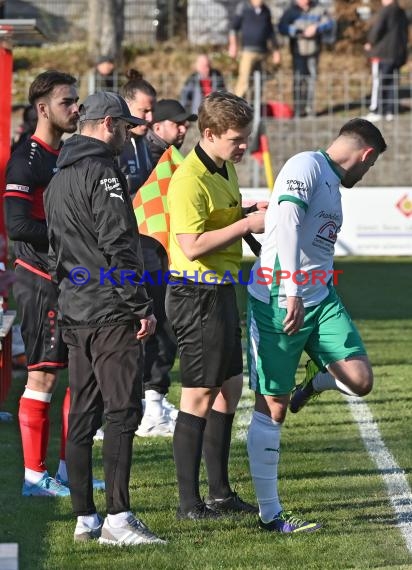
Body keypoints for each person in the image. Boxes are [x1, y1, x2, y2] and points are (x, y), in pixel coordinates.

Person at [246, 118, 387, 533]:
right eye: (372, 166)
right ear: (366, 155)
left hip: (320, 298)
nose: (367, 173)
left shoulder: (330, 182)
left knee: (360, 379)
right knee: (272, 407)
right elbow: (286, 222)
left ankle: (314, 382)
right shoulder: (305, 165)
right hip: (278, 298)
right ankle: (270, 514)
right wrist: (290, 288)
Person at [44, 91, 165, 545]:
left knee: (82, 416)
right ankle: (118, 518)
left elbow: (55, 252)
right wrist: (140, 306)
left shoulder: (58, 176)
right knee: (122, 412)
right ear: (109, 123)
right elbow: (118, 244)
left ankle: (84, 519)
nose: (128, 135)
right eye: (125, 126)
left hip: (76, 309)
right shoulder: (103, 172)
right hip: (111, 311)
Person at [166, 91, 266, 519]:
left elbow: (217, 217)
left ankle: (221, 494)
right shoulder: (189, 179)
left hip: (219, 290)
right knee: (199, 395)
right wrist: (246, 223)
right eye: (236, 140)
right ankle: (190, 504)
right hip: (196, 294)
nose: (243, 146)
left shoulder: (222, 165)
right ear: (208, 134)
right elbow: (191, 245)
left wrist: (244, 212)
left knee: (229, 390)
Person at [4, 70, 80, 497]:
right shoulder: (25, 159)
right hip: (38, 281)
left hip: (64, 277)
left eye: (75, 100)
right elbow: (16, 226)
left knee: (76, 375)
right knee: (43, 376)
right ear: (42, 108)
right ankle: (35, 477)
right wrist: (67, 234)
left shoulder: (64, 154)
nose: (75, 108)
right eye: (67, 101)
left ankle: (71, 472)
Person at [134, 98, 197, 438]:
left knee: (162, 326)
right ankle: (149, 407)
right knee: (157, 325)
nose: (184, 128)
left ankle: (151, 403)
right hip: (148, 256)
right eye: (178, 123)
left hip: (158, 254)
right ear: (158, 127)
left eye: (186, 123)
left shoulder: (168, 158)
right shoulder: (149, 158)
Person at [279, 0, 335, 117]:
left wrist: (317, 28)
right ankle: (298, 110)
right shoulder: (290, 11)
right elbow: (282, 27)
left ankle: (310, 109)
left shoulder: (318, 9)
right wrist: (297, 31)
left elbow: (330, 23)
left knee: (311, 80)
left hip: (313, 52)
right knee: (298, 80)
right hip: (297, 51)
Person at [364, 0, 409, 123]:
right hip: (398, 54)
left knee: (379, 82)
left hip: (383, 54)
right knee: (392, 82)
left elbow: (378, 28)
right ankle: (390, 111)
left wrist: (370, 42)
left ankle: (377, 110)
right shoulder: (402, 12)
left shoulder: (386, 11)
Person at [229, 0, 281, 99]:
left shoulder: (266, 10)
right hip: (247, 52)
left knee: (259, 82)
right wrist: (233, 45)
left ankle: (255, 108)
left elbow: (271, 32)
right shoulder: (243, 7)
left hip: (263, 52)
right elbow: (233, 28)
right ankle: (236, 106)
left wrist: (276, 51)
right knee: (244, 80)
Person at [119, 69, 157, 197]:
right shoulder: (113, 147)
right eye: (144, 111)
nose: (150, 118)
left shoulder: (144, 143)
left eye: (152, 111)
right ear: (126, 107)